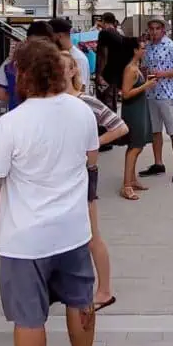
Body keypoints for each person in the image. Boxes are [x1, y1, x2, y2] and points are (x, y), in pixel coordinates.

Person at [0, 38, 99, 346]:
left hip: (25, 239)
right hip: (73, 230)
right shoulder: (82, 111)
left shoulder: (11, 124)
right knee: (80, 302)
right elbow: (91, 158)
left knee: (29, 319)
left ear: (22, 73)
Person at [0, 21, 57, 256]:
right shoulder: (57, 62)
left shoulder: (10, 63)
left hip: (17, 126)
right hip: (51, 128)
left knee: (8, 183)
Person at [61, 51, 127, 312]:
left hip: (83, 172)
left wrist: (94, 144)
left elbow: (120, 127)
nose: (57, 72)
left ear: (73, 71)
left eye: (63, 67)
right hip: (61, 174)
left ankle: (105, 289)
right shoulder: (48, 101)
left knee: (90, 234)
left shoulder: (85, 101)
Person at [138, 16, 173, 184]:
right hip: (151, 94)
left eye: (157, 28)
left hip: (167, 94)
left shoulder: (172, 46)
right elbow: (144, 67)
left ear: (163, 30)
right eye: (151, 29)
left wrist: (164, 74)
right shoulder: (148, 47)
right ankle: (158, 163)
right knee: (155, 131)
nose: (153, 32)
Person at [119, 37, 156, 200]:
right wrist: (145, 86)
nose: (144, 50)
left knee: (137, 145)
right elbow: (125, 93)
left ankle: (132, 179)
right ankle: (126, 184)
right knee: (135, 146)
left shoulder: (136, 67)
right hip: (133, 109)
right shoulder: (130, 69)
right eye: (142, 48)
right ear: (135, 50)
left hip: (139, 107)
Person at [51, 17, 90, 91]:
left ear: (59, 36)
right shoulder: (65, 55)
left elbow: (81, 88)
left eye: (51, 37)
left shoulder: (78, 58)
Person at [95, 12, 124, 113]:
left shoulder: (104, 33)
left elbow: (104, 55)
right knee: (112, 104)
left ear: (103, 21)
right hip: (115, 76)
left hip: (106, 75)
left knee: (103, 106)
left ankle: (105, 128)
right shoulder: (118, 34)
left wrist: (100, 75)